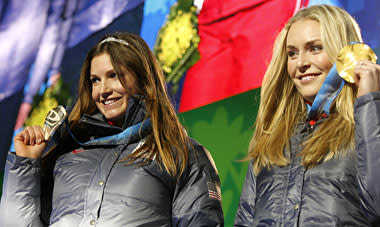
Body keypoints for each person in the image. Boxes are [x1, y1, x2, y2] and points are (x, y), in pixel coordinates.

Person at [0, 32, 224, 226]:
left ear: (143, 78)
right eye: (95, 80)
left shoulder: (181, 154)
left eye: (113, 76)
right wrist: (24, 167)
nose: (102, 90)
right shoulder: (66, 156)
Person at [235, 4, 380, 226]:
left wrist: (369, 104)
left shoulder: (368, 124)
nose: (301, 63)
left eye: (315, 48)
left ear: (346, 54)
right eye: (292, 53)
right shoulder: (273, 139)